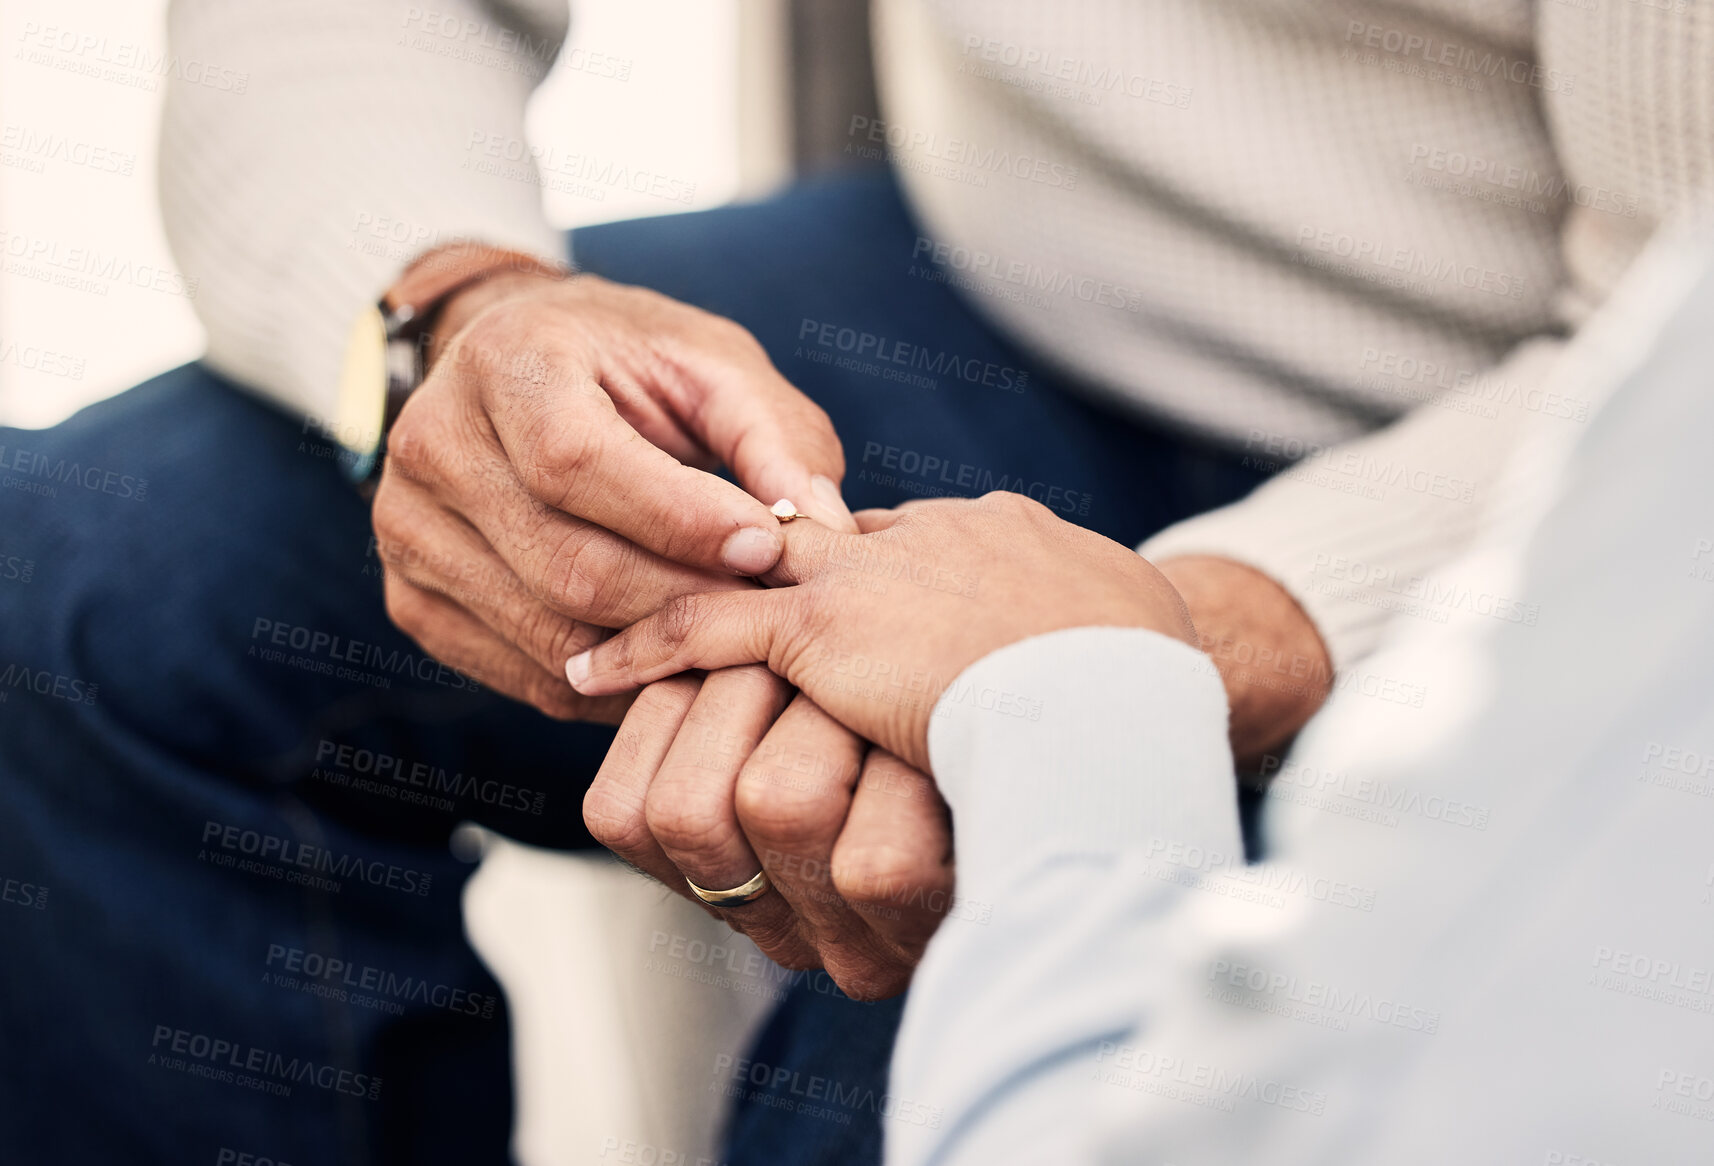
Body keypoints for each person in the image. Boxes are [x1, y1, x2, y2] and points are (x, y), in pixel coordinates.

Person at [1, 0, 1709, 1162]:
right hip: (996, 296)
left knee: (892, 1064)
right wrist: (454, 310)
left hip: (1601, 476)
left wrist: (1150, 654)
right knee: (78, 600)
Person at [569, 224, 1714, 1165]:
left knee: (866, 1045)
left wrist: (1073, 688)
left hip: (1511, 444)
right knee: (399, 563)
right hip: (1006, 281)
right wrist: (450, 296)